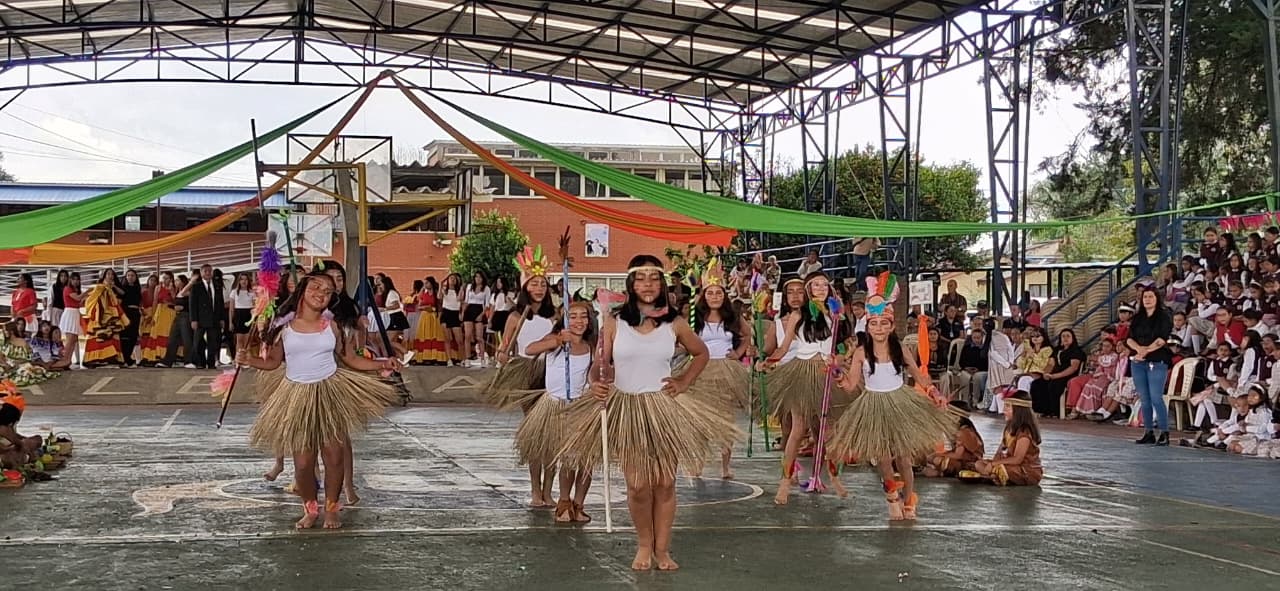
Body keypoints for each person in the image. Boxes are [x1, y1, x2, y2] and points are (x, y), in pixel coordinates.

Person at [559, 254, 738, 571]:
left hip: (664, 407)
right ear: (631, 285)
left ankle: (662, 550)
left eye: (654, 278)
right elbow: (600, 364)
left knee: (665, 483)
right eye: (640, 279)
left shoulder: (675, 323)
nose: (647, 285)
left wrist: (684, 381)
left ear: (662, 285)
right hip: (627, 408)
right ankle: (644, 544)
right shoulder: (614, 322)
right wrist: (597, 382)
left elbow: (701, 353)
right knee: (639, 485)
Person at [242, 271, 400, 529]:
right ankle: (310, 507)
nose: (321, 293)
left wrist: (382, 363)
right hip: (296, 396)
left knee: (334, 457)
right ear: (302, 290)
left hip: (329, 393)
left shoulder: (333, 326)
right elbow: (272, 362)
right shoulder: (283, 327)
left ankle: (331, 507)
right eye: (316, 287)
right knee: (304, 464)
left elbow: (351, 358)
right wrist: (249, 360)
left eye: (327, 291)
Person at [828, 273, 952, 521]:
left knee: (904, 459)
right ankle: (892, 497)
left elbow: (919, 376)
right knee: (883, 458)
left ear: (891, 326)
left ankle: (909, 499)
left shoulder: (901, 349)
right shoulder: (861, 352)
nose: (879, 328)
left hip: (899, 403)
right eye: (874, 324)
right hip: (873, 405)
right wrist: (838, 374)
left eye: (884, 323)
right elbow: (851, 386)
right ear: (868, 326)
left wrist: (934, 393)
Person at [764, 270, 853, 504]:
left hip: (825, 373)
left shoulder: (835, 313)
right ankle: (785, 482)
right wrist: (770, 360)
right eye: (816, 285)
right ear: (809, 289)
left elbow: (842, 347)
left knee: (825, 432)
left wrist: (839, 359)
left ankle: (831, 477)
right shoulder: (798, 314)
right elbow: (784, 347)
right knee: (798, 428)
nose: (821, 288)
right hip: (803, 372)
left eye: (824, 284)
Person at [512, 300, 596, 523]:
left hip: (580, 406)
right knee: (566, 458)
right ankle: (564, 502)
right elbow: (530, 349)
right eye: (573, 316)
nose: (579, 321)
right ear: (564, 319)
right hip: (554, 405)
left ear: (590, 321)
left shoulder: (591, 347)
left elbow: (594, 374)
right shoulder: (555, 341)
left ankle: (579, 504)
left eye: (584, 316)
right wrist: (558, 340)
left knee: (586, 459)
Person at [489, 246, 559, 507]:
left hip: (551, 375)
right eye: (534, 283)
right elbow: (504, 347)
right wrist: (502, 356)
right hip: (527, 376)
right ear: (525, 287)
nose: (539, 288)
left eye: (543, 284)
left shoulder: (556, 316)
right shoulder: (516, 316)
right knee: (536, 433)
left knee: (552, 436)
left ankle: (549, 491)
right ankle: (535, 491)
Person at [688, 259, 753, 479]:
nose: (714, 297)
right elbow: (684, 339)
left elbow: (747, 334)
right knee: (700, 418)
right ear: (704, 296)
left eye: (718, 293)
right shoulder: (695, 317)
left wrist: (739, 352)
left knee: (726, 419)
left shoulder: (732, 317)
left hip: (726, 370)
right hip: (702, 370)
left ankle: (725, 466)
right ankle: (698, 464)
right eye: (710, 293)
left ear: (724, 296)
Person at [1128, 286, 1175, 446]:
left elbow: (1161, 339)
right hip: (1138, 360)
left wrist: (1146, 351)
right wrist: (1138, 349)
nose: (1147, 300)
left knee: (1156, 397)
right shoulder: (1137, 318)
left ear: (1156, 299)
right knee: (1144, 398)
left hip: (1157, 359)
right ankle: (1148, 431)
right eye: (1145, 297)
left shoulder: (1163, 316)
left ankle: (1164, 432)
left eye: (1150, 297)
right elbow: (1129, 338)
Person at [975, 389, 1043, 486]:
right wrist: (992, 463)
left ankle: (993, 476)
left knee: (1001, 469)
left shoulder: (1024, 432)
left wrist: (993, 465)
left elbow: (1017, 459)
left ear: (1018, 410)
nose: (1004, 410)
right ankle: (994, 476)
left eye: (1007, 406)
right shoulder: (1008, 428)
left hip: (1026, 470)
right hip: (1009, 465)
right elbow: (1000, 451)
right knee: (979, 463)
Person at [923, 401, 984, 478]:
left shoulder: (963, 432)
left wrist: (938, 454)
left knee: (935, 459)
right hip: (965, 460)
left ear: (957, 417)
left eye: (948, 414)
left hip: (970, 463)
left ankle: (940, 472)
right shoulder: (962, 430)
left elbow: (958, 455)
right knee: (931, 458)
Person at [82, 269, 128, 368]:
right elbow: (91, 300)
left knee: (112, 336)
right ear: (104, 276)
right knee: (100, 336)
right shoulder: (99, 287)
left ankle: (112, 359)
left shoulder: (112, 288)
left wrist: (113, 287)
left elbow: (122, 295)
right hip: (101, 316)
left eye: (112, 274)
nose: (110, 276)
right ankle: (96, 358)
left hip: (113, 316)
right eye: (108, 274)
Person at [189, 264, 225, 369]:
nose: (208, 273)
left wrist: (222, 318)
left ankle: (211, 363)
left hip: (214, 318)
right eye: (205, 271)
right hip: (200, 319)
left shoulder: (217, 286)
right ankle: (200, 362)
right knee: (198, 341)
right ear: (201, 273)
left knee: (213, 342)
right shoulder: (196, 286)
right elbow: (192, 304)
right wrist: (193, 319)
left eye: (210, 271)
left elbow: (220, 303)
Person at [57, 272, 84, 369]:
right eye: (74, 279)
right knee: (70, 339)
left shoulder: (77, 290)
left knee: (74, 340)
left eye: (77, 279)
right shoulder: (67, 289)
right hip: (70, 313)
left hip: (76, 313)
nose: (76, 281)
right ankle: (64, 359)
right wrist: (87, 292)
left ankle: (68, 360)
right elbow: (77, 298)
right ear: (70, 280)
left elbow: (79, 303)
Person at [119, 269, 143, 367]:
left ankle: (128, 357)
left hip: (136, 313)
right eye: (128, 275)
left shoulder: (138, 288)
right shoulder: (123, 288)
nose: (130, 277)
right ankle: (125, 358)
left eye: (132, 275)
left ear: (136, 277)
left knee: (133, 336)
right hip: (126, 312)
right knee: (125, 336)